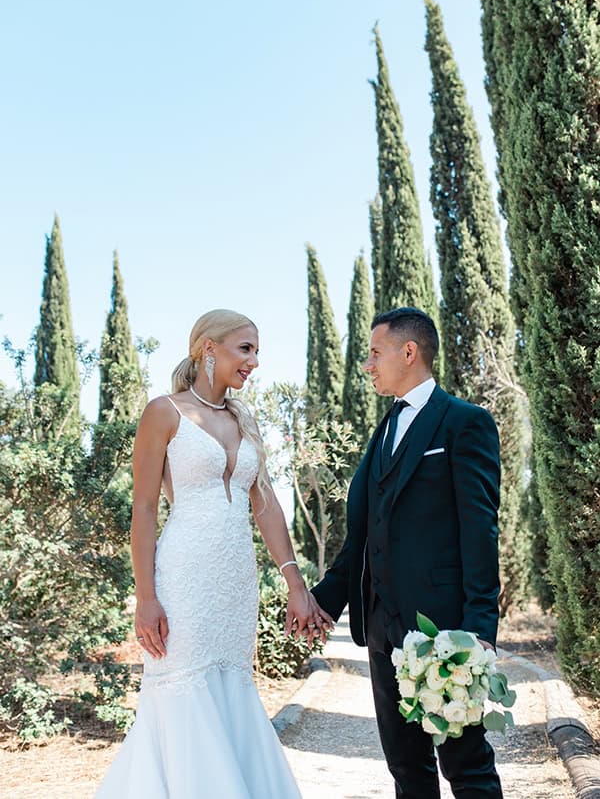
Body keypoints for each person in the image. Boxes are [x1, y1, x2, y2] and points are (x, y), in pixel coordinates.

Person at [96, 309, 332, 798]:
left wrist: (295, 585)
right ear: (209, 348)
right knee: (183, 689)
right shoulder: (164, 412)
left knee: (232, 688)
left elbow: (265, 506)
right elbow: (143, 510)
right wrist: (146, 597)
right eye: (245, 349)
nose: (254, 362)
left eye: (257, 351)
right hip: (182, 576)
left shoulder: (244, 420)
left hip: (235, 582)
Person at [311, 307, 503, 799]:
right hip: (381, 632)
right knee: (408, 774)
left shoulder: (465, 423)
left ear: (409, 352)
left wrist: (480, 629)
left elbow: (480, 530)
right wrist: (322, 604)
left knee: (468, 770)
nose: (368, 365)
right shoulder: (384, 431)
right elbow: (365, 537)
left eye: (375, 354)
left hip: (445, 634)